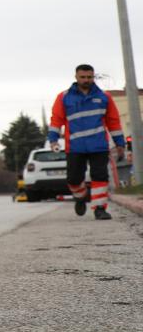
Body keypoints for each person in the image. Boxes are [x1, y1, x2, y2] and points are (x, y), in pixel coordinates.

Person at [48, 64, 127, 220]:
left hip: (98, 145)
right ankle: (81, 197)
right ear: (76, 77)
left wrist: (120, 143)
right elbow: (56, 120)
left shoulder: (104, 97)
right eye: (83, 77)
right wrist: (53, 140)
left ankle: (99, 208)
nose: (86, 80)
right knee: (73, 179)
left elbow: (113, 122)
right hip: (75, 146)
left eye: (89, 77)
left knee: (100, 176)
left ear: (93, 77)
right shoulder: (64, 97)